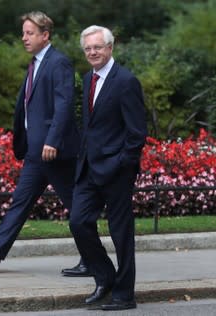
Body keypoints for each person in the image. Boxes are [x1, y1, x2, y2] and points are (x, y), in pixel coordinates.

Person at [0, 11, 83, 273]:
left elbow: (64, 105)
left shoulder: (57, 62)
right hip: (36, 152)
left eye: (30, 33)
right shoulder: (36, 64)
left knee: (77, 207)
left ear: (45, 35)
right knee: (21, 202)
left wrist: (53, 141)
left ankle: (93, 260)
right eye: (24, 33)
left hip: (54, 151)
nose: (24, 38)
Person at [69, 25, 147, 311]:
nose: (92, 52)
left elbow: (136, 132)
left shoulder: (126, 81)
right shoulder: (88, 78)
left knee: (121, 234)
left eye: (97, 47)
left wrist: (121, 163)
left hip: (117, 171)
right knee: (78, 222)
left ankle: (124, 295)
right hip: (89, 169)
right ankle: (105, 277)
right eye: (88, 48)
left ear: (110, 47)